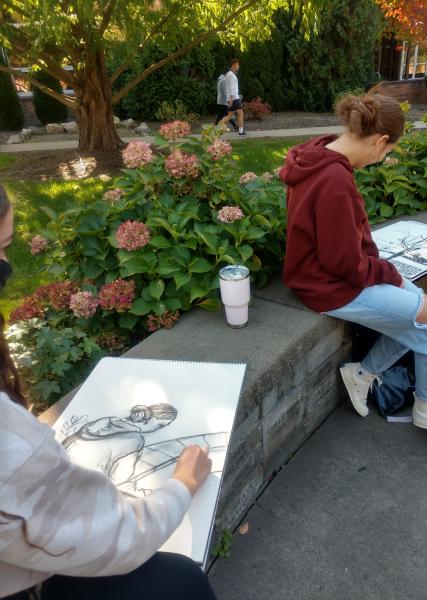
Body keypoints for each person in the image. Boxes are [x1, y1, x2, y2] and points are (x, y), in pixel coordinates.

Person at [0, 188, 217, 600]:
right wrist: (183, 483)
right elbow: (119, 534)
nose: (6, 266)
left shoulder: (129, 436)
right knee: (181, 581)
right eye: (3, 249)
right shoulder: (9, 445)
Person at [280, 94, 427, 435]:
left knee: (422, 316)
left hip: (323, 276)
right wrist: (388, 273)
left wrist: (389, 275)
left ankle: (362, 375)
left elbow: (341, 249)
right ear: (381, 142)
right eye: (387, 153)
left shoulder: (316, 155)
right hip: (330, 287)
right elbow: (344, 262)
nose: (382, 159)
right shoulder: (335, 182)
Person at [221, 58, 246, 136]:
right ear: (234, 65)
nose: (239, 66)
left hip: (234, 97)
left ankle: (218, 127)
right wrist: (231, 100)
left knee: (230, 115)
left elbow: (232, 88)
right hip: (234, 99)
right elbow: (231, 88)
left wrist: (237, 95)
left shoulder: (230, 74)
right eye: (238, 64)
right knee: (240, 113)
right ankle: (241, 131)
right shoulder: (231, 75)